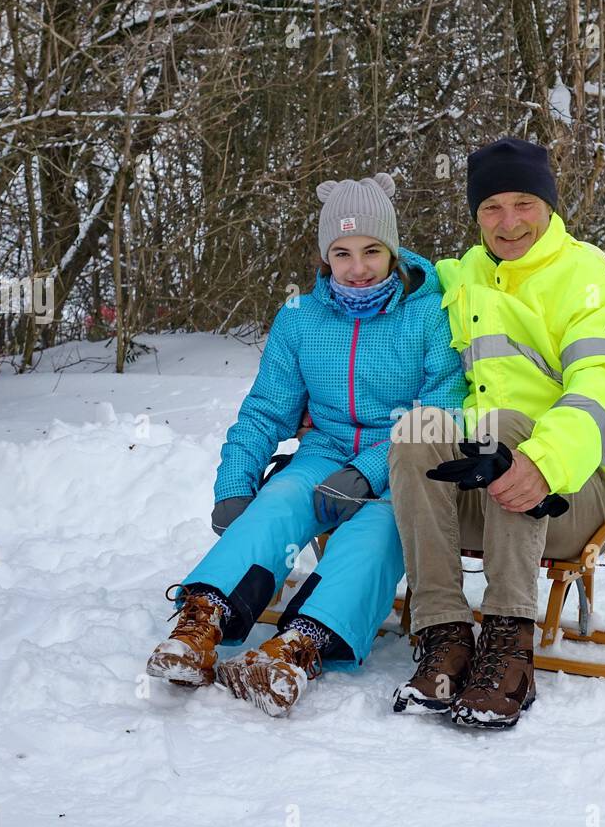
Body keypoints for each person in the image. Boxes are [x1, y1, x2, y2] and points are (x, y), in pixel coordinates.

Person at [146, 173, 466, 717]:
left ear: (392, 250)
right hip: (322, 452)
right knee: (278, 502)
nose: (358, 268)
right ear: (324, 257)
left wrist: (368, 471)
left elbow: (441, 411)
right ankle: (201, 622)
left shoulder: (430, 314)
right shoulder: (300, 318)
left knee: (378, 532)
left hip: (400, 467)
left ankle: (298, 648)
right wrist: (233, 486)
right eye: (342, 253)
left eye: (371, 251)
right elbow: (265, 410)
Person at [388, 138, 605, 729]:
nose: (508, 223)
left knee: (503, 429)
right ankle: (444, 633)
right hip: (487, 489)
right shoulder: (467, 274)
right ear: (475, 215)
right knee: (419, 427)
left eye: (523, 203)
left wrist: (546, 460)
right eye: (491, 208)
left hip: (577, 489)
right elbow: (410, 280)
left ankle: (509, 641)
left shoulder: (586, 276)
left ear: (550, 205)